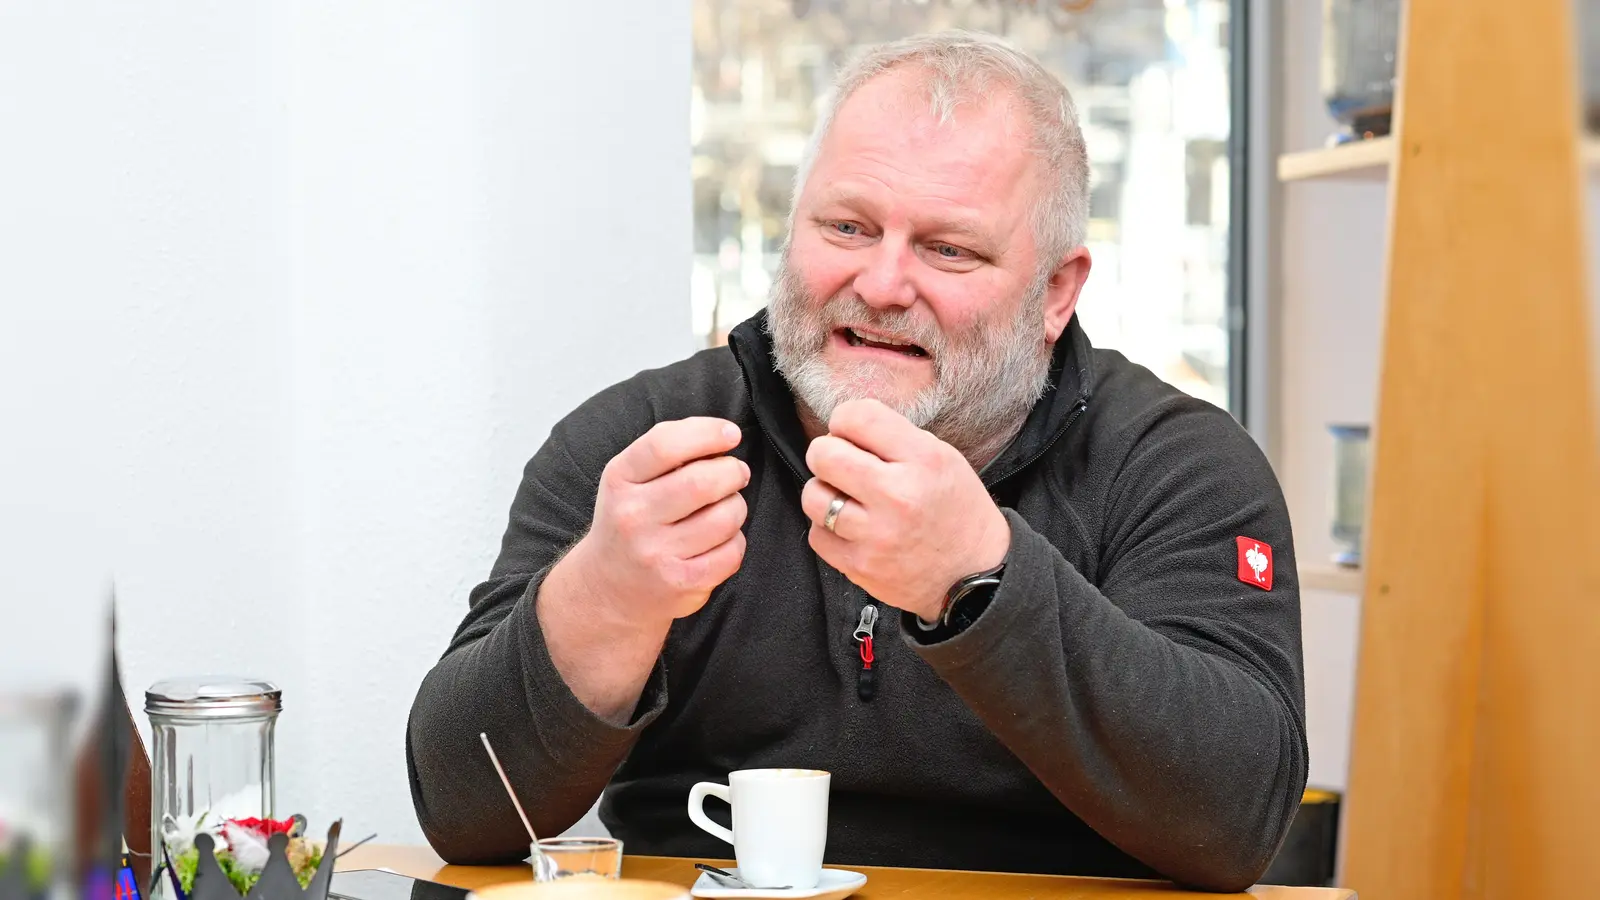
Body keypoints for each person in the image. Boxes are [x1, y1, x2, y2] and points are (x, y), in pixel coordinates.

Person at [406, 30, 1306, 893]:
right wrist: (602, 600)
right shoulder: (646, 443)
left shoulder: (1178, 466)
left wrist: (982, 580)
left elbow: (1234, 824)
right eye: (846, 227)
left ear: (1057, 292)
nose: (880, 285)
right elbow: (465, 815)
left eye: (948, 249)